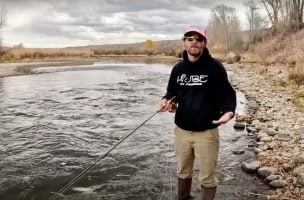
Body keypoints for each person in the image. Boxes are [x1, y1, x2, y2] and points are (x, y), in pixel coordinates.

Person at [159, 26, 236, 200]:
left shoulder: (215, 67)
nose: (194, 41)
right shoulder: (178, 69)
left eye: (199, 39)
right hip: (182, 132)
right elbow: (172, 93)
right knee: (183, 172)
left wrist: (229, 113)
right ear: (184, 42)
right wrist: (167, 101)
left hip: (207, 132)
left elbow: (228, 95)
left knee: (207, 177)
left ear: (204, 44)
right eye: (190, 38)